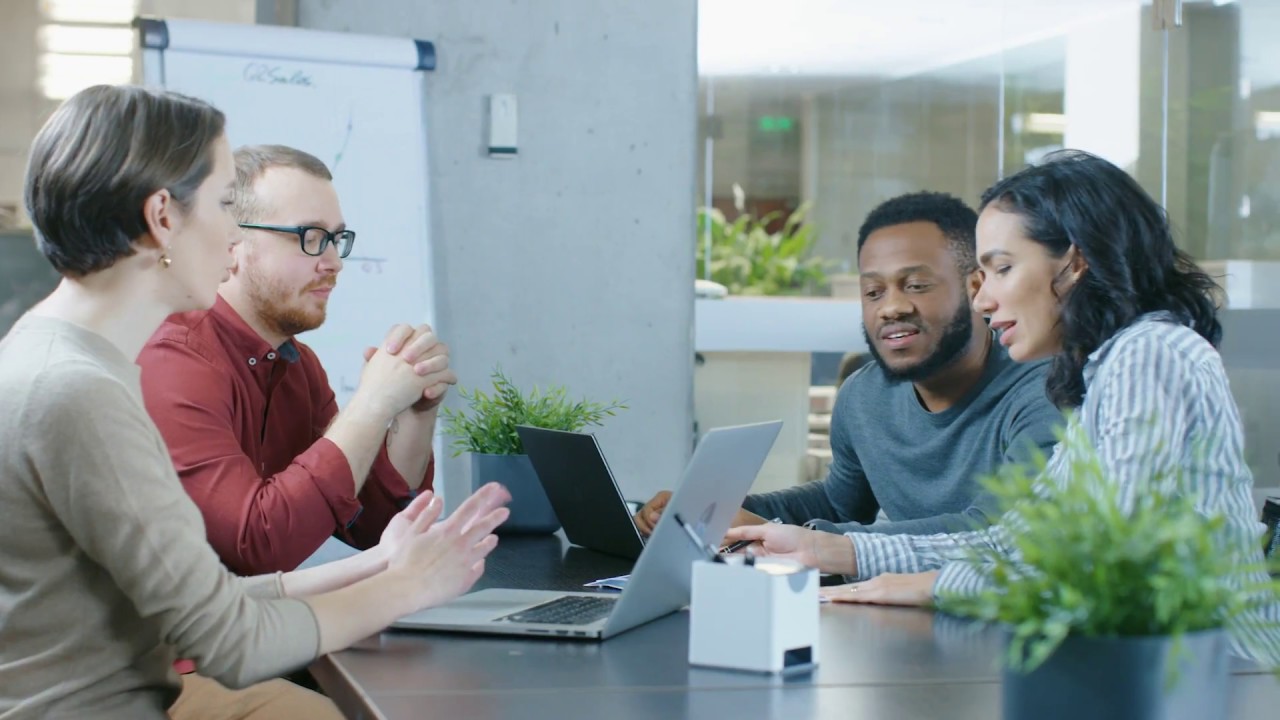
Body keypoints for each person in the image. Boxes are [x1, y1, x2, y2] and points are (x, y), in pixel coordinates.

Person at [0, 84, 510, 719]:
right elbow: (229, 641)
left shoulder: (62, 361)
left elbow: (216, 599)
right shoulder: (78, 391)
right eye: (221, 204)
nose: (231, 236)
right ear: (163, 218)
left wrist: (381, 563)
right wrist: (404, 586)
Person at [724, 150, 1280, 663]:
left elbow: (1098, 564)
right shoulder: (1106, 370)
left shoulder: (1149, 353)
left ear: (1075, 263)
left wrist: (930, 584)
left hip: (1219, 677)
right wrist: (831, 551)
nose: (984, 299)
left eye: (1002, 269)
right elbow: (1015, 542)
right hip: (1152, 670)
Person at [636, 192, 1063, 538]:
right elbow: (839, 503)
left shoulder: (1043, 390)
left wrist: (796, 538)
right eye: (873, 292)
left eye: (915, 285)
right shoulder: (863, 396)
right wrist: (722, 509)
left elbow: (995, 529)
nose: (891, 308)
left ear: (975, 287)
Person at [137, 144, 450, 576]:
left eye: (336, 239)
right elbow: (255, 543)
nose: (334, 263)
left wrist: (414, 414)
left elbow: (372, 528)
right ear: (233, 242)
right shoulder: (174, 358)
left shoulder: (299, 365)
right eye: (310, 237)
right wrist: (371, 406)